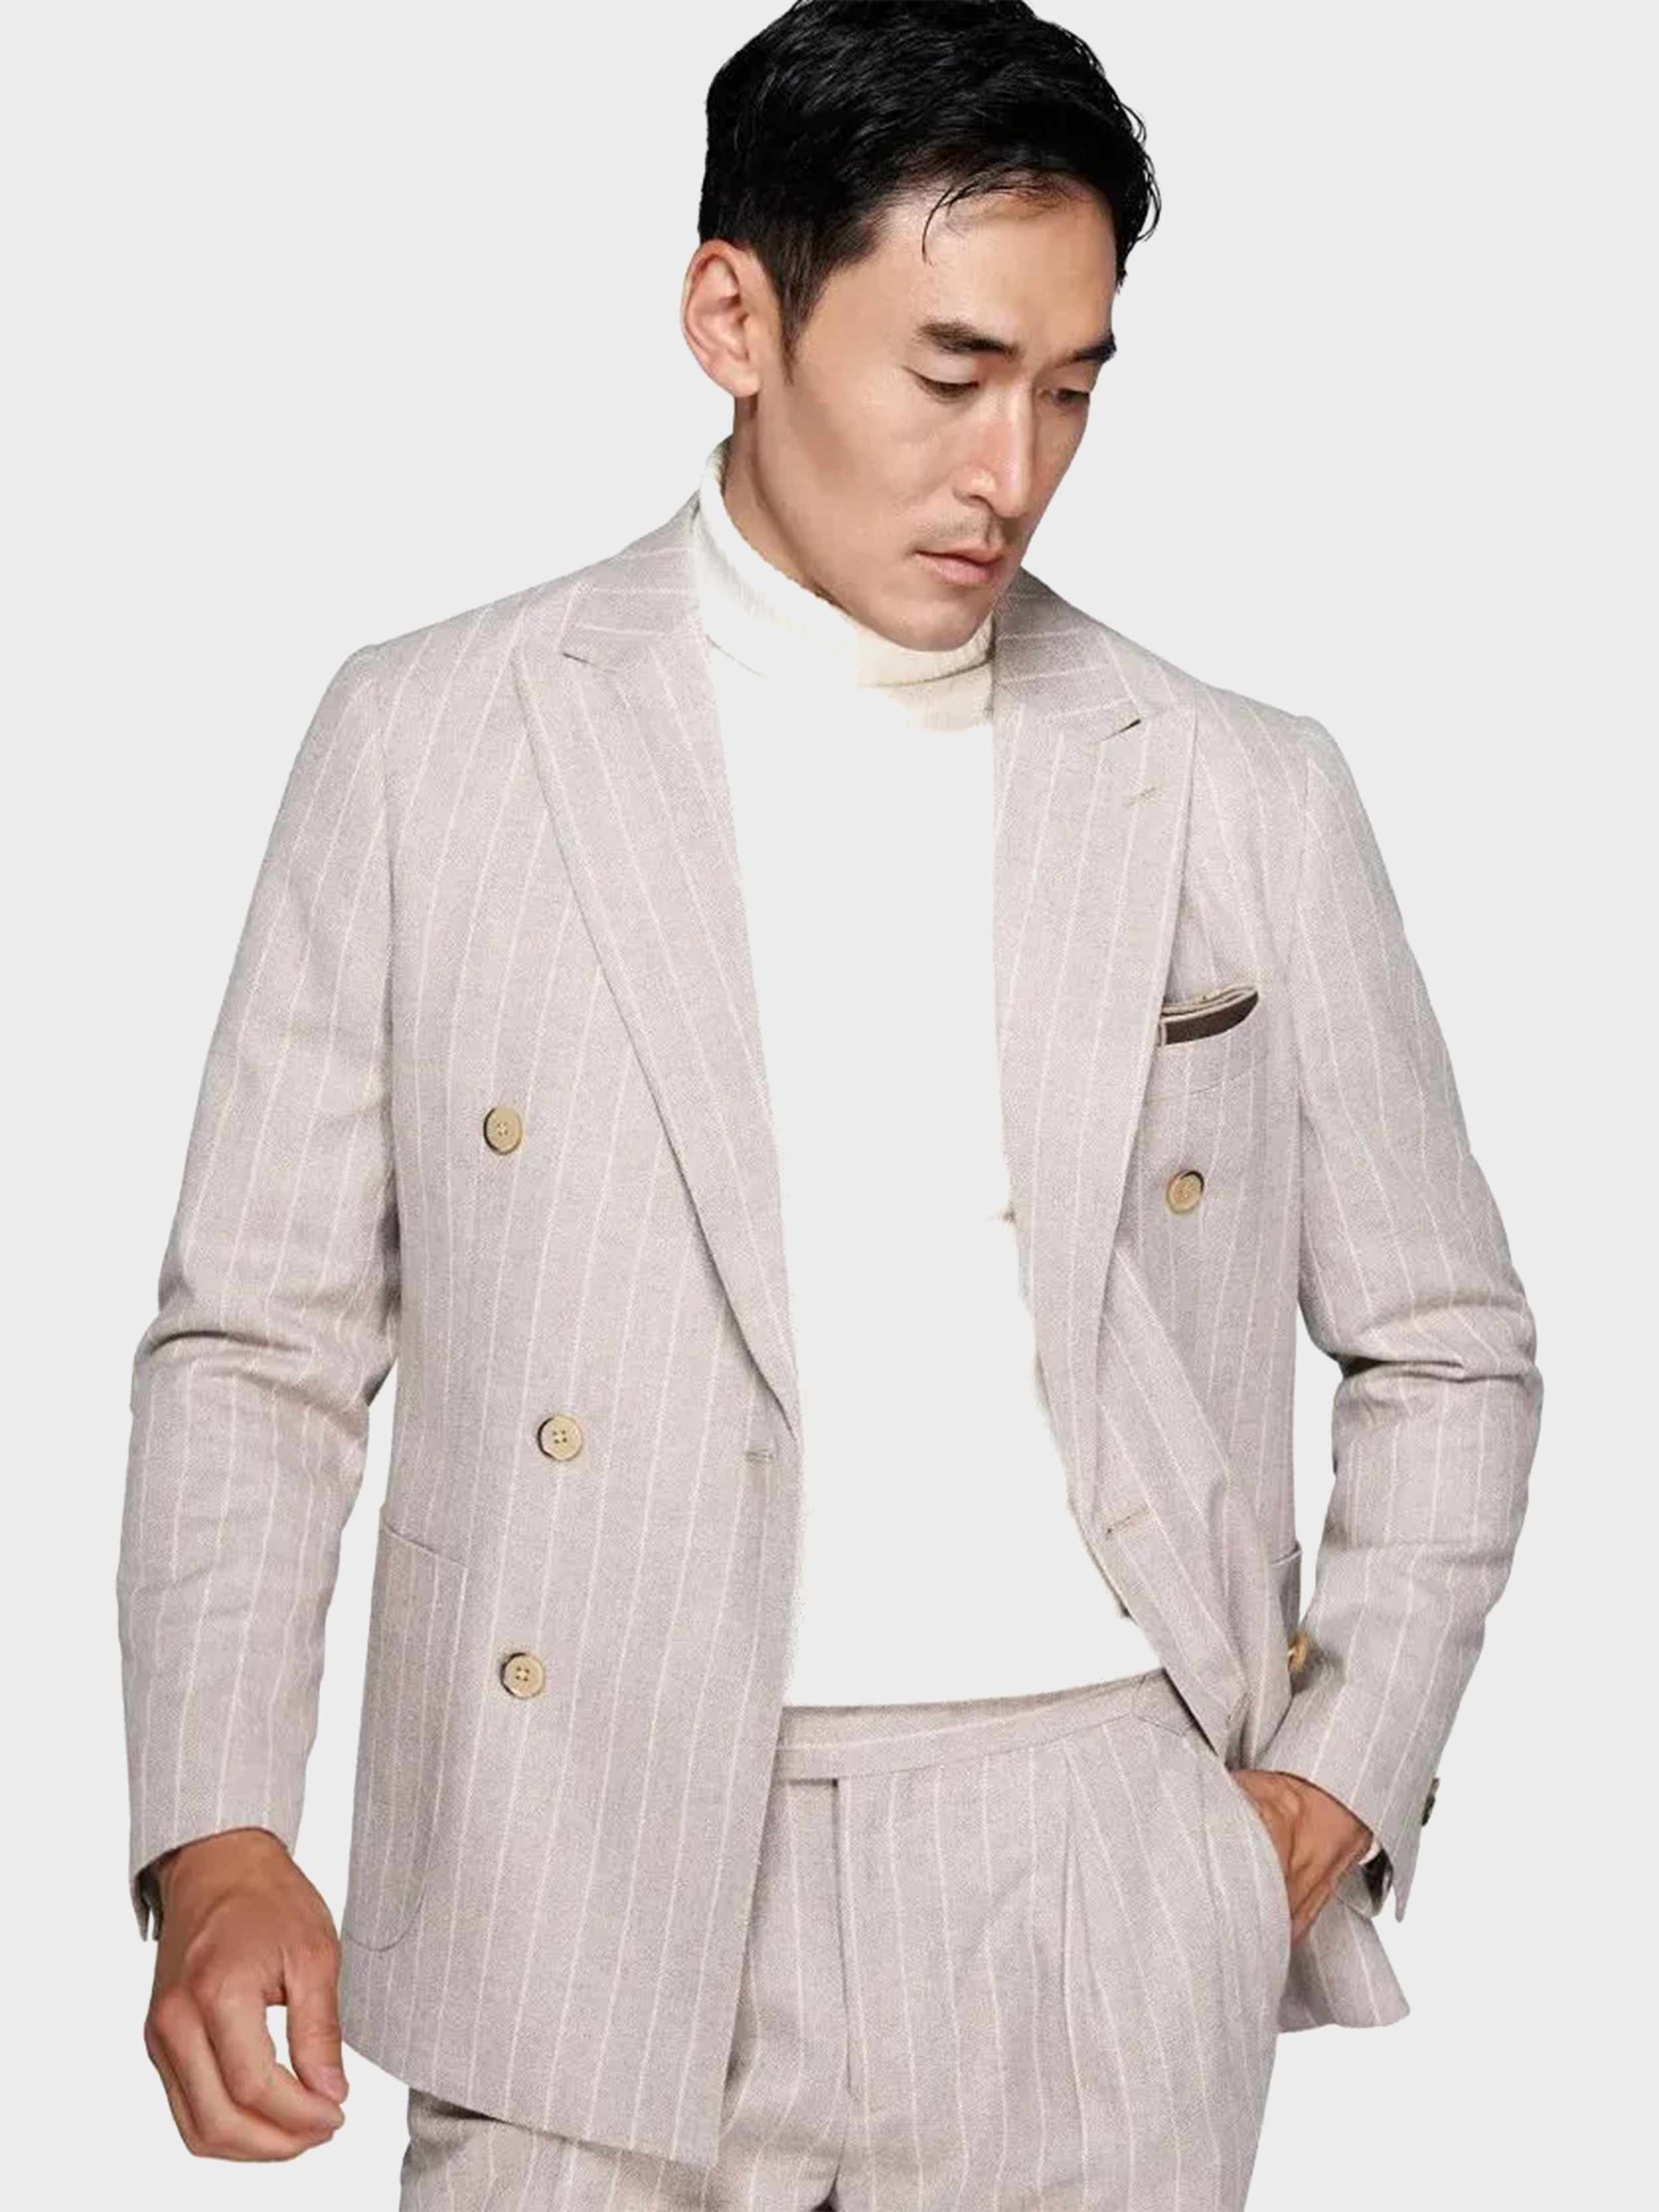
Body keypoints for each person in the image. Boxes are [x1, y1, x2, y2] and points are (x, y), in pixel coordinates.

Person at [117, 3, 1543, 2204]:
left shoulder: (1234, 787)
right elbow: (259, 1344)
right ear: (733, 317)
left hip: (1091, 1867)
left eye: (1068, 391)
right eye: (950, 374)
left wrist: (1325, 1783)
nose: (1012, 470)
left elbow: (1444, 1342)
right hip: (564, 1853)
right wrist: (217, 1831)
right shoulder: (430, 742)